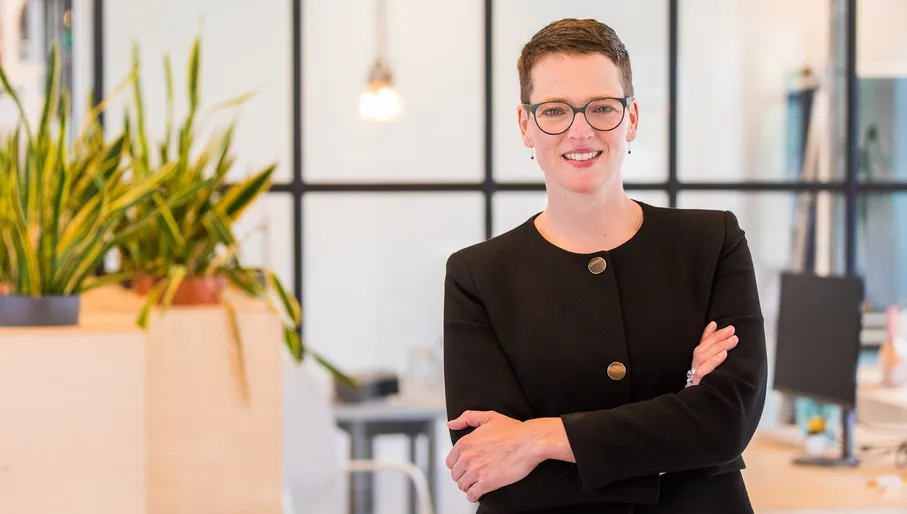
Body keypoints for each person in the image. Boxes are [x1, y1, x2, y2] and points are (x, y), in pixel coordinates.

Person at [442, 18, 767, 514]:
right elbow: (490, 470)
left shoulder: (712, 242)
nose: (580, 130)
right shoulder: (478, 277)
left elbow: (728, 421)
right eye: (554, 110)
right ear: (526, 125)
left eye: (601, 108)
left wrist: (536, 439)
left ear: (631, 118)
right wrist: (676, 428)